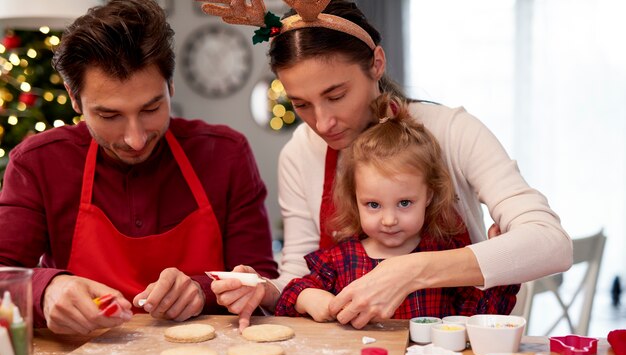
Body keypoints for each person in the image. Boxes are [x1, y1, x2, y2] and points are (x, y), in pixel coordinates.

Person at [202, 0, 572, 330]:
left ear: (376, 63)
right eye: (302, 105)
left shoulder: (451, 130)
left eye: (337, 95)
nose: (323, 122)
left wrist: (408, 272)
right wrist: (264, 290)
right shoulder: (300, 153)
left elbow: (551, 243)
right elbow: (301, 276)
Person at [0, 0, 278, 335]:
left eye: (151, 108)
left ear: (170, 86)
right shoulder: (37, 163)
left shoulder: (225, 154)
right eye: (109, 116)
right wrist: (45, 290)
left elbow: (259, 279)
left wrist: (201, 290)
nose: (135, 139)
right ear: (75, 100)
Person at [274, 94, 519, 321]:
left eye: (404, 203)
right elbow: (290, 295)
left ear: (429, 196)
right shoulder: (339, 260)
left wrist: (499, 258)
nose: (389, 219)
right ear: (355, 200)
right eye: (373, 205)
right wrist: (308, 297)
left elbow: (480, 314)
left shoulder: (443, 256)